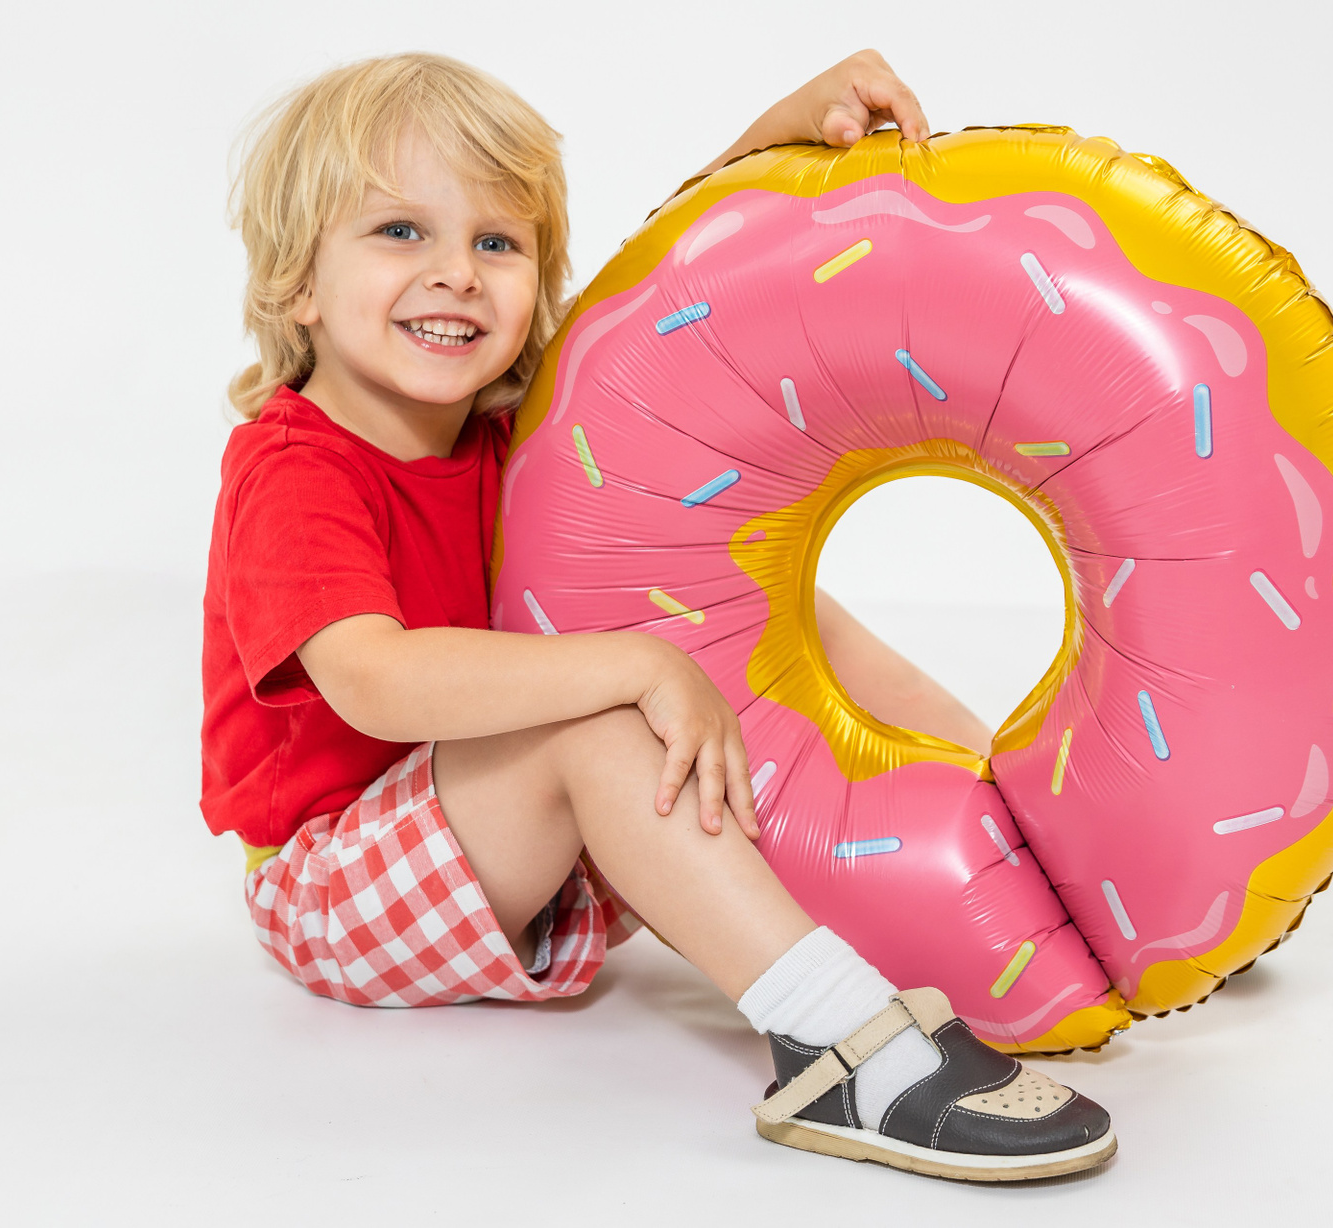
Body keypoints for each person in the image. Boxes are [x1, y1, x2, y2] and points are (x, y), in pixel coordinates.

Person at [203, 49, 1114, 1181]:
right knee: (598, 715)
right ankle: (839, 1046)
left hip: (523, 843)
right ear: (297, 283)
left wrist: (781, 131)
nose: (457, 275)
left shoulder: (518, 435)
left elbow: (664, 304)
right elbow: (374, 681)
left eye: (497, 243)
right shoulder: (294, 469)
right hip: (338, 881)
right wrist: (633, 665)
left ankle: (1043, 849)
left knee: (765, 606)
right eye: (401, 232)